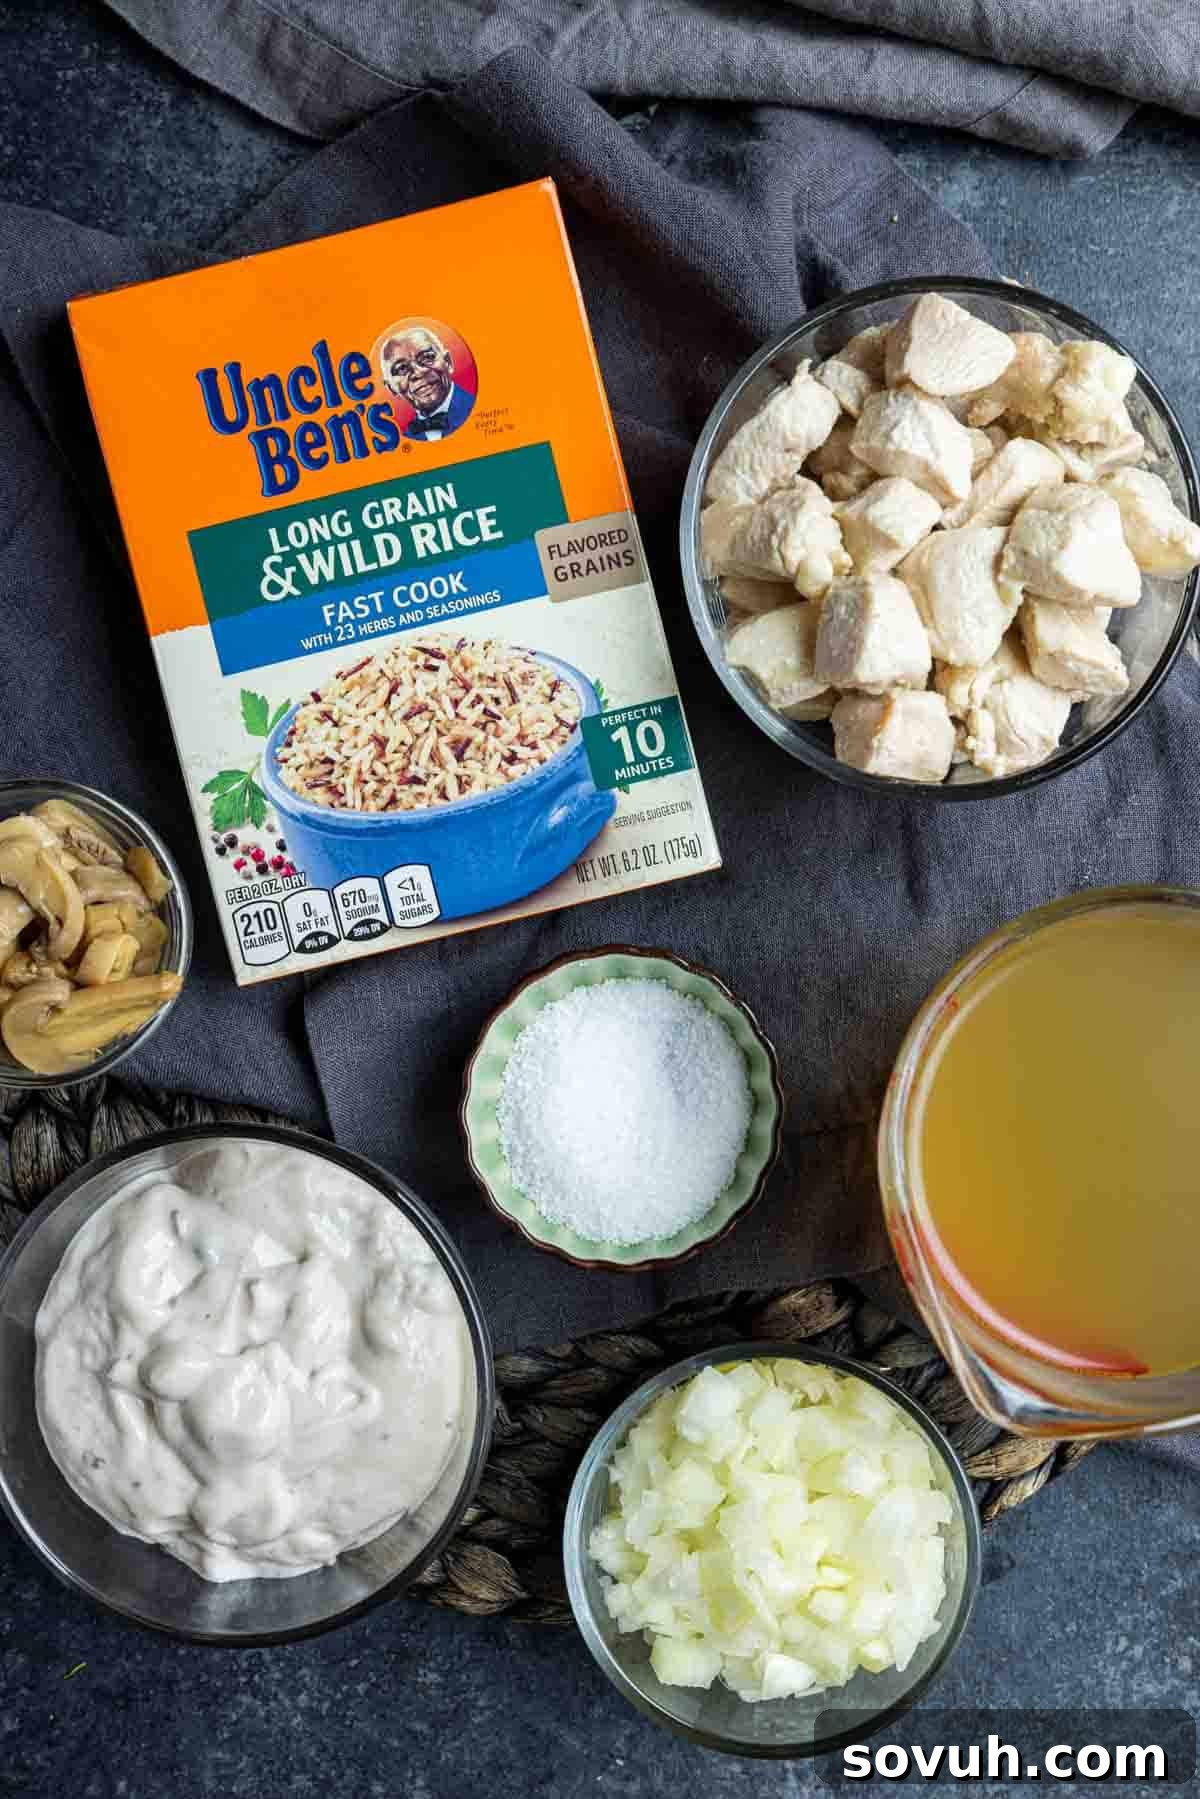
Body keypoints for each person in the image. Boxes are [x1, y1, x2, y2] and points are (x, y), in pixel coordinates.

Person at [379, 325, 475, 440]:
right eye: (402, 368)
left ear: (448, 362)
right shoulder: (408, 438)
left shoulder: (474, 409)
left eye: (427, 358)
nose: (419, 373)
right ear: (391, 388)